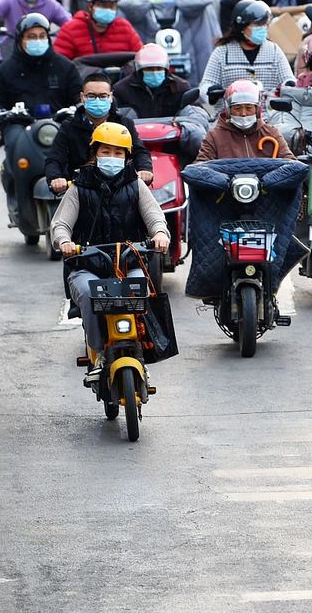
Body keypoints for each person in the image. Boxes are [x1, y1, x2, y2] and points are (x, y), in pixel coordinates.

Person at [50, 121, 170, 381]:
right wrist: (64, 242)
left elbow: (155, 218)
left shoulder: (137, 186)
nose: (112, 158)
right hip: (86, 266)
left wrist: (160, 234)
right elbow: (60, 225)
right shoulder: (78, 188)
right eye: (106, 152)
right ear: (94, 155)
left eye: (118, 153)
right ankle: (97, 352)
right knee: (87, 293)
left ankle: (139, 352)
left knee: (140, 288)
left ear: (127, 157)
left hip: (129, 262)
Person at [0, 13, 82, 210]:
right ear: (20, 40)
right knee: (13, 143)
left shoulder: (65, 67)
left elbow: (79, 97)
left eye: (41, 36)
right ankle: (20, 200)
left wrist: (78, 108)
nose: (37, 41)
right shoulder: (6, 70)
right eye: (31, 37)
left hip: (58, 123)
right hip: (20, 125)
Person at [45, 72, 153, 191]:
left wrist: (145, 169)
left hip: (120, 188)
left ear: (111, 97)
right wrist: (56, 178)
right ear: (82, 97)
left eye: (103, 96)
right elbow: (55, 158)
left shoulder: (124, 124)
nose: (97, 100)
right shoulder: (69, 127)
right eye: (91, 96)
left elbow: (139, 151)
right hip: (81, 189)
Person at [113, 43, 209, 158]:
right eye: (149, 69)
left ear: (166, 68)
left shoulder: (181, 87)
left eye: (158, 69)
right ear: (139, 69)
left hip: (174, 145)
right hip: (134, 144)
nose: (154, 72)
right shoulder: (122, 89)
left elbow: (196, 116)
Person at [198, 0, 294, 98]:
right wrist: (212, 92)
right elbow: (205, 86)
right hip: (232, 110)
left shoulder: (274, 50)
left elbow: (287, 79)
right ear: (241, 26)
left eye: (265, 24)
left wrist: (289, 85)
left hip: (269, 111)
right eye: (257, 24)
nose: (263, 28)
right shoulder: (222, 53)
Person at [196, 79, 294, 161]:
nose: (243, 113)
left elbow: (290, 162)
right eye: (237, 108)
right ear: (228, 110)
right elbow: (201, 165)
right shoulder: (215, 136)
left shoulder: (271, 132)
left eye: (248, 108)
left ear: (257, 110)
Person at [53, 0, 142, 59]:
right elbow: (60, 62)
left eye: (111, 6)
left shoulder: (124, 27)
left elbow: (140, 56)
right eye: (101, 5)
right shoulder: (71, 29)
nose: (107, 9)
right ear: (90, 6)